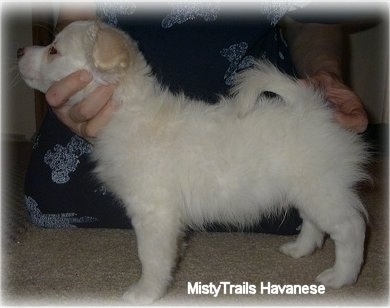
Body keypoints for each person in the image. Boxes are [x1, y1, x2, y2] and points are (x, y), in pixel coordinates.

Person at [24, 2, 368, 232]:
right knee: (62, 200)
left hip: (253, 115)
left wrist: (325, 71)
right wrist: (69, 76)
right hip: (112, 105)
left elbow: (315, 16)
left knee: (309, 200)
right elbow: (76, 20)